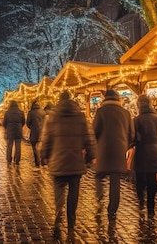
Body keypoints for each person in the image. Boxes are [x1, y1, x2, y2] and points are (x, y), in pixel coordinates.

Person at [41, 91, 95, 241]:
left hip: (57, 161)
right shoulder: (80, 117)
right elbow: (88, 138)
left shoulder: (52, 117)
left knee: (58, 190)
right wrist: (91, 156)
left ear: (58, 100)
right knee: (73, 192)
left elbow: (46, 138)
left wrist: (43, 156)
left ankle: (59, 211)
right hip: (76, 161)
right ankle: (71, 221)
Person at [92, 89, 134, 219]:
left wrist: (96, 147)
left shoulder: (101, 112)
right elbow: (131, 134)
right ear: (118, 99)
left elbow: (94, 131)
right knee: (115, 181)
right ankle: (112, 210)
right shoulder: (126, 113)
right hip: (119, 150)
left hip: (103, 150)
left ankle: (99, 197)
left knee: (99, 175)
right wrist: (125, 146)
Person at [132, 95, 157, 218]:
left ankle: (141, 200)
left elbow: (132, 138)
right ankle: (151, 206)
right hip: (156, 152)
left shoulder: (137, 120)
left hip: (142, 152)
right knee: (152, 180)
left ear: (139, 105)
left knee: (139, 180)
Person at [3, 100, 25, 165]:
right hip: (18, 130)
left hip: (10, 130)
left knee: (9, 144)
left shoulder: (7, 112)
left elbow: (4, 122)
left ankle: (9, 158)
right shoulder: (21, 112)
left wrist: (7, 128)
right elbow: (23, 121)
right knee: (18, 145)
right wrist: (20, 126)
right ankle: (17, 159)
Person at [26, 101, 46, 167]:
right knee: (40, 146)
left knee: (34, 147)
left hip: (34, 132)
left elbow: (28, 123)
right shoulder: (43, 112)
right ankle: (41, 160)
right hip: (42, 132)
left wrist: (31, 127)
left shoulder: (31, 113)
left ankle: (37, 161)